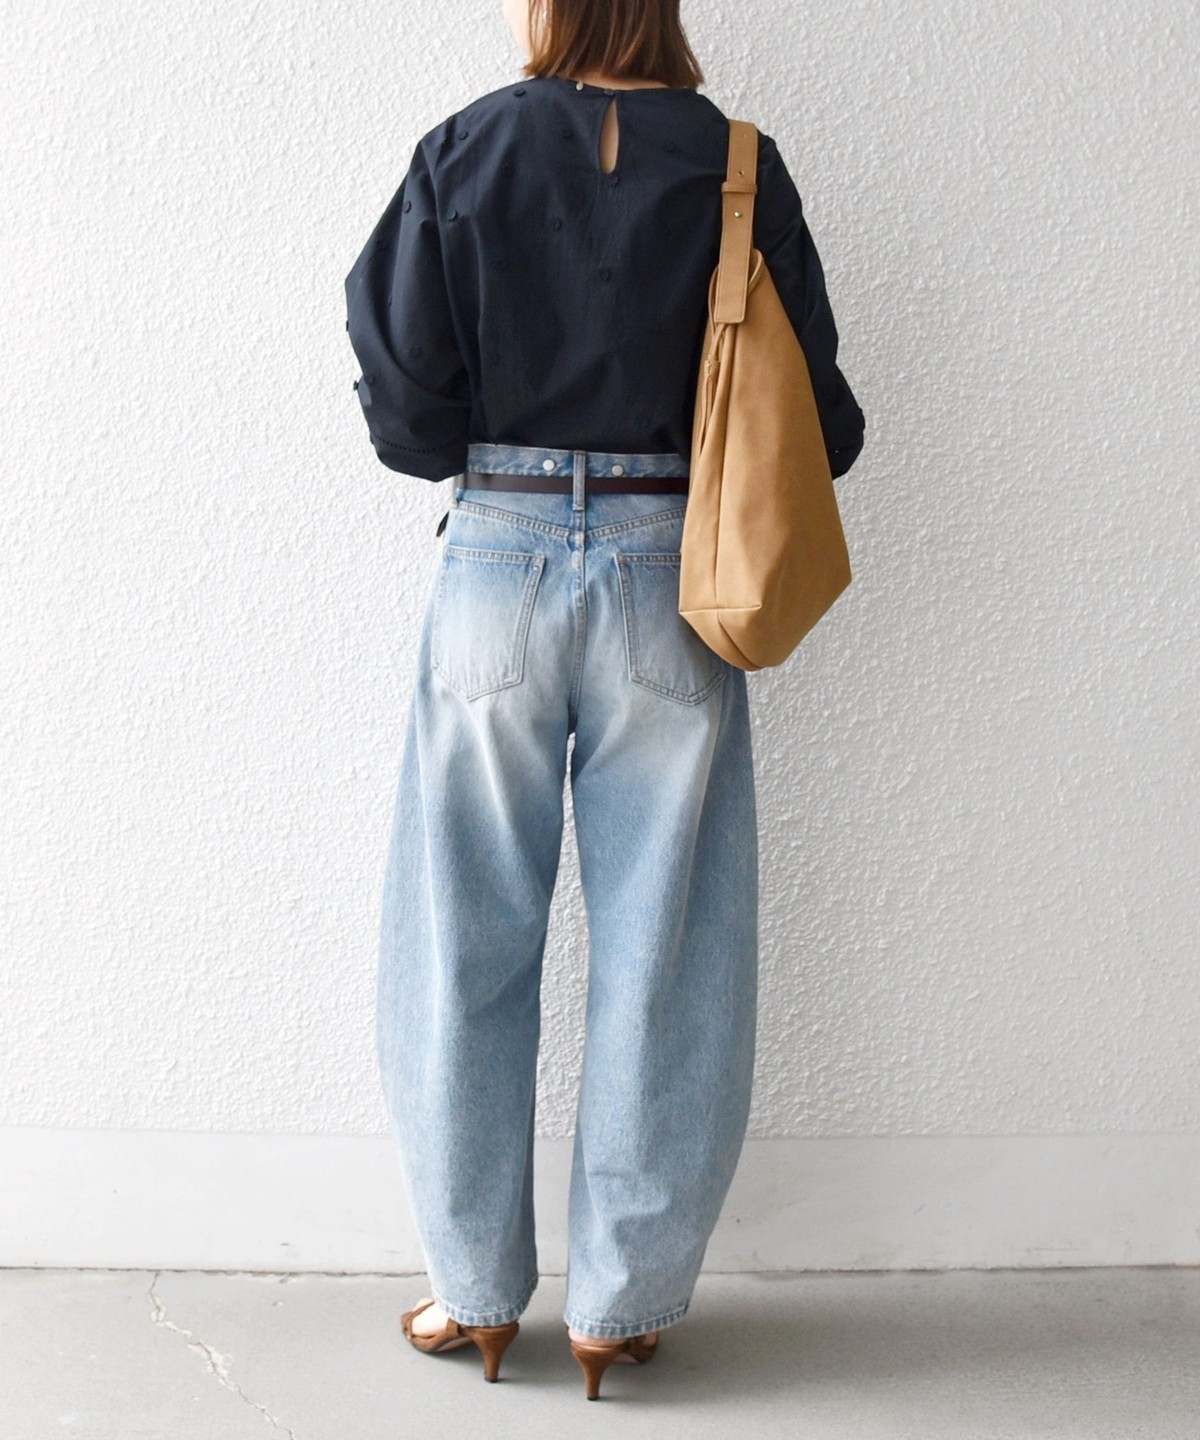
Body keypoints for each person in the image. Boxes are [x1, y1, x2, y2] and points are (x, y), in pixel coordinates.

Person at [343, 0, 865, 1401]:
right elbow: (823, 422)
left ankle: (472, 1293)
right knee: (667, 949)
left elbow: (403, 408)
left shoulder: (465, 150)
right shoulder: (737, 164)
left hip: (496, 559)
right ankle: (619, 1310)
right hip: (670, 573)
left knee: (460, 937)